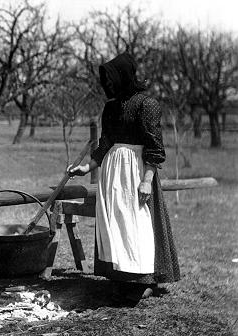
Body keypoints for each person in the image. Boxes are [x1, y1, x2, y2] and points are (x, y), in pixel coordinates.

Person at [68, 52, 180, 304]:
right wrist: (87, 168)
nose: (107, 84)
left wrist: (146, 179)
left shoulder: (146, 104)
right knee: (116, 223)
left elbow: (154, 145)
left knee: (137, 223)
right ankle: (122, 275)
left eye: (111, 78)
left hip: (136, 171)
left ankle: (145, 279)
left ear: (124, 76)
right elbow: (105, 142)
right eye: (105, 79)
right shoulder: (111, 107)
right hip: (112, 173)